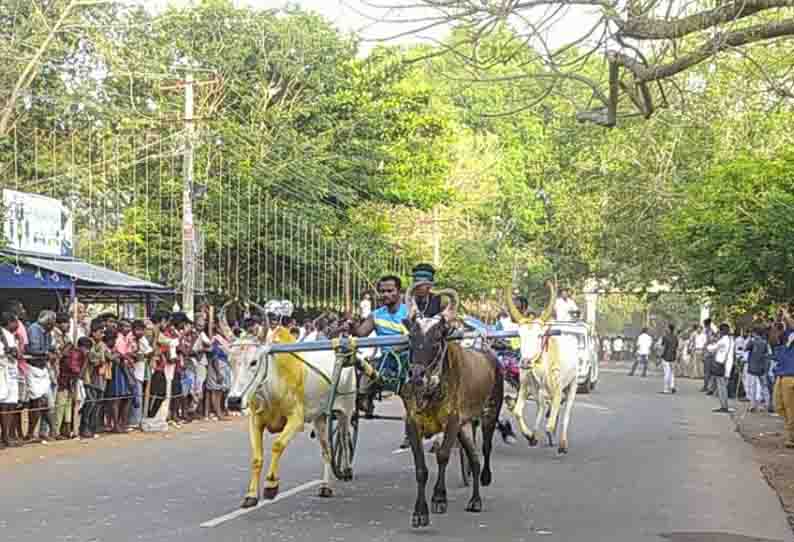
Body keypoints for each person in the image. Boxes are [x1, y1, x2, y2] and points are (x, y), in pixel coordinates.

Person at [55, 337, 89, 439]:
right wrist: (86, 360)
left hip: (71, 383)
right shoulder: (75, 354)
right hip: (64, 383)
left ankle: (67, 430)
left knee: (68, 407)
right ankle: (56, 432)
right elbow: (76, 370)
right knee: (61, 407)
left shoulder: (78, 354)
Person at [0, 311, 21, 447]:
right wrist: (10, 351)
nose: (17, 324)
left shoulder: (12, 336)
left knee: (11, 404)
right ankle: (5, 436)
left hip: (12, 371)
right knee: (3, 404)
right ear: (9, 322)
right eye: (15, 321)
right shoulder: (1, 334)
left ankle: (6, 435)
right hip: (3, 371)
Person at [707, 323, 734, 413]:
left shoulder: (723, 340)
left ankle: (724, 406)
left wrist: (709, 344)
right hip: (727, 366)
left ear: (722, 331)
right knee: (723, 387)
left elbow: (712, 348)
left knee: (721, 387)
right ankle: (724, 406)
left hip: (721, 366)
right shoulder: (731, 340)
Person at [746, 327, 772, 413]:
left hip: (753, 368)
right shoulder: (765, 343)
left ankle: (753, 405)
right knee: (764, 386)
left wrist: (750, 339)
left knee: (752, 387)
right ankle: (767, 404)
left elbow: (746, 348)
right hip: (762, 368)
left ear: (755, 333)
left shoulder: (752, 342)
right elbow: (768, 355)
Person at [660, 324, 678, 394]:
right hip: (673, 357)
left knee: (666, 373)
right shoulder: (675, 337)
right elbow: (676, 347)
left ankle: (665, 389)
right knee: (672, 373)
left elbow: (663, 347)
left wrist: (660, 356)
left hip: (666, 357)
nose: (665, 329)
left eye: (666, 328)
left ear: (669, 329)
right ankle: (672, 386)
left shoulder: (665, 337)